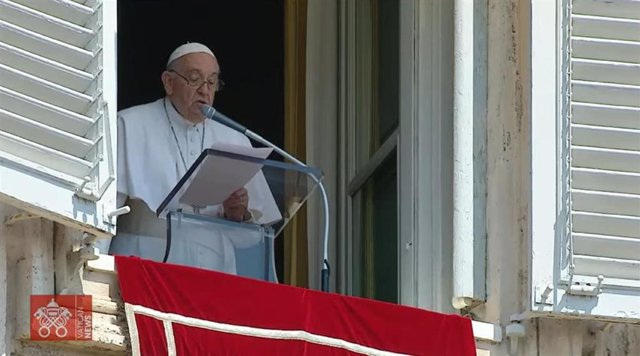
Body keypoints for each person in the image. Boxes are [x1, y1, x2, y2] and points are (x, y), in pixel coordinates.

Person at [103, 42, 281, 275]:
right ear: (169, 82)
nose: (205, 91)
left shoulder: (235, 140)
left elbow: (250, 240)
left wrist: (237, 215)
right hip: (146, 266)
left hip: (214, 274)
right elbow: (105, 212)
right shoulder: (129, 125)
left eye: (212, 81)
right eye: (195, 79)